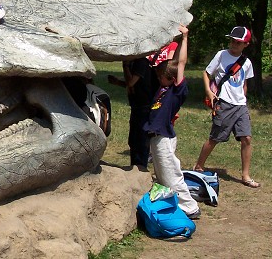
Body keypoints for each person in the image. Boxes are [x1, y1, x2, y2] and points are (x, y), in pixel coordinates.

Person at [143, 25, 201, 219]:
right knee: (161, 175)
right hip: (155, 137)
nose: (159, 78)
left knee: (170, 174)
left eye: (162, 76)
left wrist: (185, 38)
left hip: (164, 137)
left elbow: (181, 63)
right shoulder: (163, 89)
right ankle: (170, 202)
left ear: (171, 78)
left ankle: (190, 207)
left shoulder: (176, 91)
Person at [194, 26, 259, 188]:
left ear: (246, 44)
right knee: (215, 138)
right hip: (223, 103)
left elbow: (244, 83)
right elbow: (206, 73)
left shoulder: (247, 62)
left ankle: (245, 175)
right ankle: (199, 166)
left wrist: (243, 98)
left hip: (240, 106)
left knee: (247, 138)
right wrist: (209, 91)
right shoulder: (221, 55)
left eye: (238, 42)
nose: (233, 44)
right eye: (232, 40)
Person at [107, 41, 177, 171]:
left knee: (140, 139)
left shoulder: (140, 62)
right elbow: (136, 85)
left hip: (144, 106)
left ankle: (140, 168)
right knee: (134, 139)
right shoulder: (137, 62)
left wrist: (126, 66)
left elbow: (131, 83)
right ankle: (135, 166)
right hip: (137, 104)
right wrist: (118, 82)